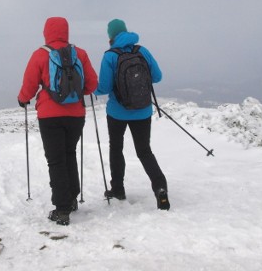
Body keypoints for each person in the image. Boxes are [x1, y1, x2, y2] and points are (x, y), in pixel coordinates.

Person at [18, 17, 98, 225]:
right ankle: (72, 198)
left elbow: (29, 84)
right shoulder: (79, 53)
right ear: (66, 31)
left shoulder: (40, 55)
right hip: (76, 115)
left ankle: (62, 209)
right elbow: (91, 84)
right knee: (69, 153)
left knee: (56, 160)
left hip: (49, 115)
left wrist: (23, 99)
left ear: (46, 32)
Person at [95, 18, 170, 210]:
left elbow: (103, 87)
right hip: (143, 111)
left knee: (116, 149)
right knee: (144, 151)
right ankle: (160, 187)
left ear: (110, 36)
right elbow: (158, 76)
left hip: (117, 113)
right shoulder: (142, 51)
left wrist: (92, 90)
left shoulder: (110, 56)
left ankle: (118, 189)